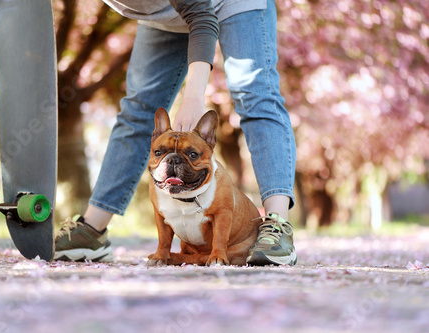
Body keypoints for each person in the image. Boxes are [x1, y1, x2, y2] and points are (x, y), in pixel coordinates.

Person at [54, 0, 297, 266]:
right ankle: (93, 229)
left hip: (231, 3)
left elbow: (201, 16)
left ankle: (277, 227)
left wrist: (193, 97)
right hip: (163, 13)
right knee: (139, 109)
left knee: (255, 96)